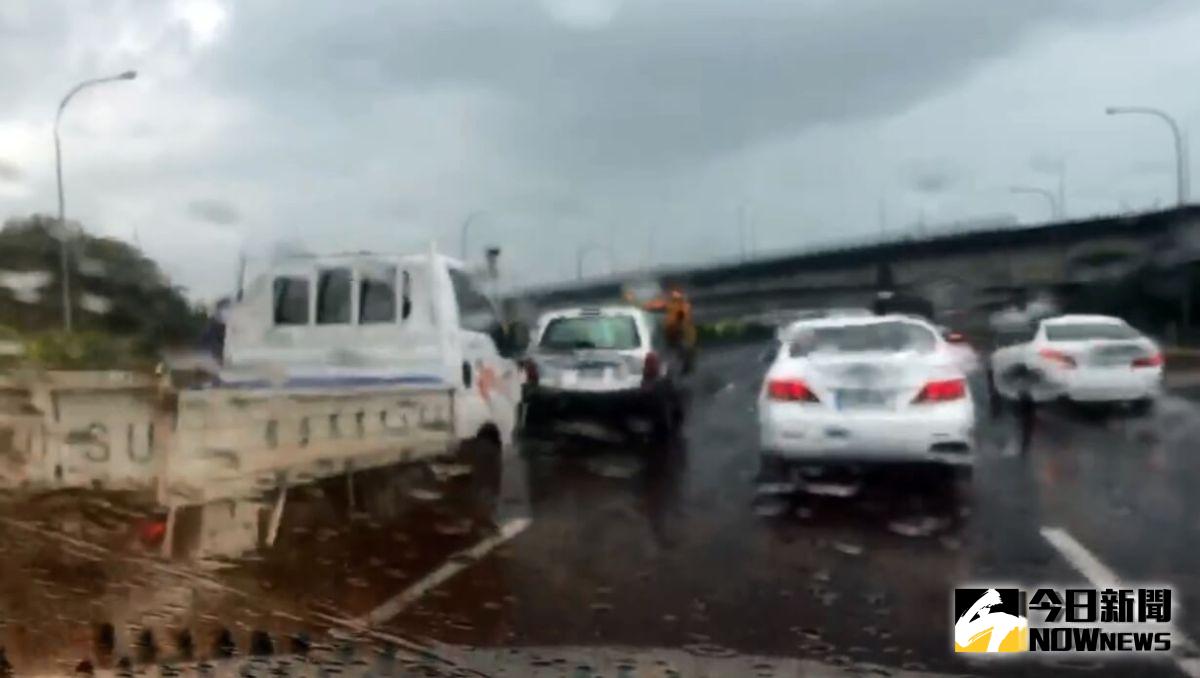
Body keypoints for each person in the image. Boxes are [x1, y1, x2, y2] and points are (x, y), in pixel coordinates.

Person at [625, 284, 697, 374]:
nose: (673, 296)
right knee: (672, 353)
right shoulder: (671, 304)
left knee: (682, 351)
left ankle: (682, 368)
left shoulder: (683, 306)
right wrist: (633, 301)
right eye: (673, 294)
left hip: (679, 335)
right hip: (672, 335)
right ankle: (675, 368)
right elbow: (649, 306)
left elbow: (684, 321)